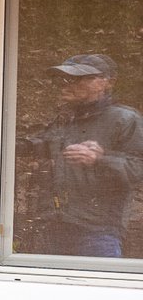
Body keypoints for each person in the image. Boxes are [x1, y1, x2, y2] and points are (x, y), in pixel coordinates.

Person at [22, 54, 143, 259]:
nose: (66, 84)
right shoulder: (64, 118)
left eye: (78, 78)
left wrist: (101, 159)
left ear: (107, 82)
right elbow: (41, 144)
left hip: (98, 232)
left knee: (100, 289)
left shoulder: (125, 119)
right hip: (53, 227)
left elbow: (138, 169)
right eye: (63, 79)